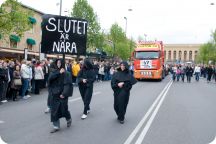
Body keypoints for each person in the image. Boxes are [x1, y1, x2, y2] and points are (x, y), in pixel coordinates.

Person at [48, 59, 73, 133]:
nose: (58, 64)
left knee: (63, 109)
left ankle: (68, 118)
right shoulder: (54, 72)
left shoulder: (67, 73)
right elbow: (49, 80)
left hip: (62, 94)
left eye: (60, 63)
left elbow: (68, 84)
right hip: (54, 94)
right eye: (57, 63)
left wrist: (64, 93)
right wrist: (58, 73)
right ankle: (56, 126)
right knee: (54, 111)